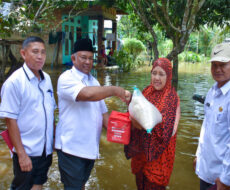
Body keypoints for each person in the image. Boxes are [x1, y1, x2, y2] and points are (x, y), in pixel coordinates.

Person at [55, 38, 131, 190]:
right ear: (73, 58)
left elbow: (103, 116)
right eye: (83, 57)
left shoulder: (94, 82)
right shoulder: (66, 78)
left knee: (81, 186)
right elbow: (87, 95)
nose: (88, 62)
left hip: (88, 149)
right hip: (71, 149)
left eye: (90, 58)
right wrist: (115, 90)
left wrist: (126, 131)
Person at [0, 36, 56, 190]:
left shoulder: (47, 79)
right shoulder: (14, 83)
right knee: (22, 186)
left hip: (45, 150)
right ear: (23, 54)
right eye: (35, 52)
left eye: (43, 52)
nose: (40, 56)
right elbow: (10, 121)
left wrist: (54, 139)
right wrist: (22, 154)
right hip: (27, 150)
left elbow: (50, 112)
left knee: (38, 184)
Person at [194, 43, 230, 190]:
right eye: (214, 65)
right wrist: (198, 155)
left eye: (223, 65)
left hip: (223, 179)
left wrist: (225, 180)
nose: (218, 69)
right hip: (206, 171)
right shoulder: (212, 92)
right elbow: (206, 127)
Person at [125, 58, 181, 190]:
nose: (156, 78)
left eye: (161, 74)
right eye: (154, 73)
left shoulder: (172, 98)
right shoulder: (146, 91)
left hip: (159, 158)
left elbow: (169, 131)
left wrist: (139, 123)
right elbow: (136, 111)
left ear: (169, 76)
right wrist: (129, 104)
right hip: (141, 155)